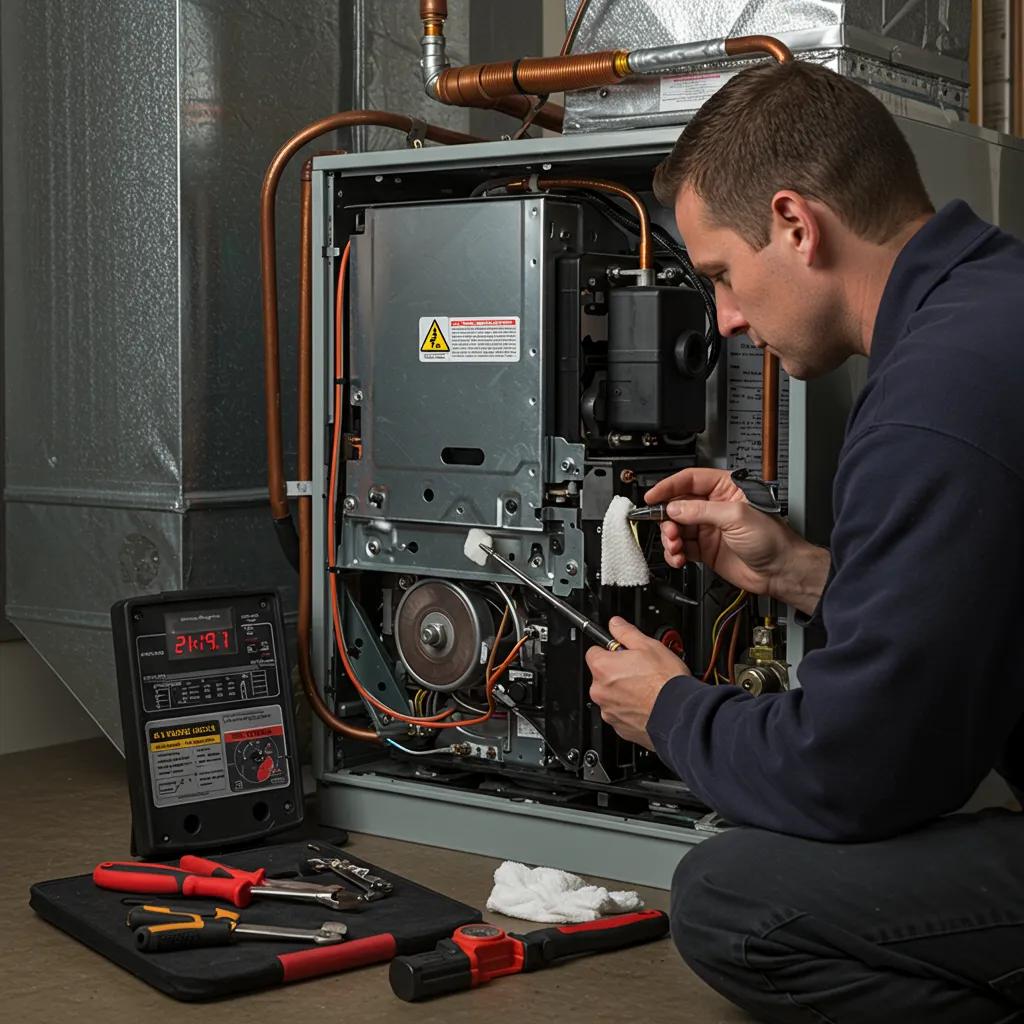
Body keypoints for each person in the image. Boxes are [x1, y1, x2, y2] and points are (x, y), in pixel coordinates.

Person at [585, 60, 1024, 1023]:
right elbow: (987, 614)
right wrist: (800, 572)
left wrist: (670, 712)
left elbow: (858, 773)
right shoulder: (993, 305)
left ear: (796, 224)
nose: (730, 321)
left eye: (722, 277)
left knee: (736, 898)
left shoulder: (930, 404)